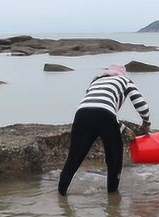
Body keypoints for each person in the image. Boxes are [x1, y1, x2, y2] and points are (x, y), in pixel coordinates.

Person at [57, 64, 151, 196]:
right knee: (114, 160)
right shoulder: (124, 80)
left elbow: (96, 106)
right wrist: (146, 122)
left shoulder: (95, 81)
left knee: (73, 159)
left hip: (81, 114)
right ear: (121, 74)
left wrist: (123, 129)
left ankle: (61, 196)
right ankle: (113, 203)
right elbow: (141, 105)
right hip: (105, 115)